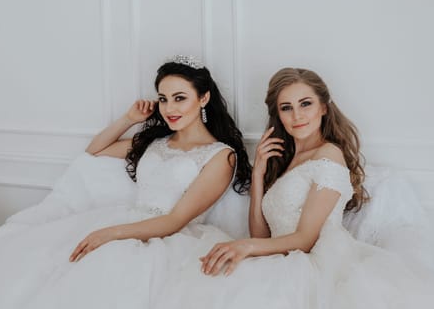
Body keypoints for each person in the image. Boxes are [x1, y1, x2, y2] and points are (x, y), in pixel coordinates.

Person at [0, 55, 252, 309]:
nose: (169, 108)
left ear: (204, 98)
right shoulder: (156, 142)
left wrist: (108, 234)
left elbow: (175, 220)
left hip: (171, 237)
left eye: (180, 98)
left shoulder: (220, 156)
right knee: (35, 266)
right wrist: (129, 119)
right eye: (164, 99)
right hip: (126, 220)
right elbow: (94, 151)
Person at [155, 68, 433, 309]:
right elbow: (261, 235)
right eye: (286, 107)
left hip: (316, 263)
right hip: (281, 257)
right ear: (278, 114)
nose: (297, 115)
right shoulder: (287, 161)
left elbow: (306, 239)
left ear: (324, 107)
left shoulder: (329, 155)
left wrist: (245, 246)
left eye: (305, 104)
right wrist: (260, 175)